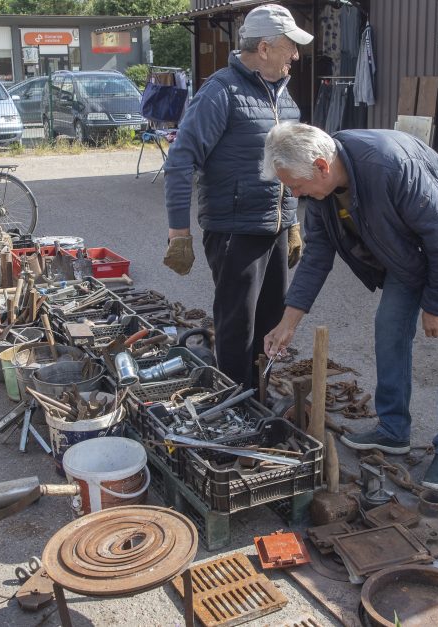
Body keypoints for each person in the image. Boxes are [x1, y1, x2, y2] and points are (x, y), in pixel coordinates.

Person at [262, 123, 438, 489]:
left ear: (322, 166)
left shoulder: (389, 165)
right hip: (413, 251)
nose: (294, 194)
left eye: (296, 185)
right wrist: (288, 323)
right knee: (389, 328)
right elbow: (317, 259)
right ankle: (394, 430)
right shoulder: (320, 193)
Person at [161, 4, 313, 389]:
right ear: (264, 49)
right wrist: (179, 232)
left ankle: (257, 396)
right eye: (289, 46)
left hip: (274, 229)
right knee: (237, 329)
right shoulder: (220, 92)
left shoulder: (285, 100)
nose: (295, 55)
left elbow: (289, 167)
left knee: (269, 326)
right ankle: (233, 409)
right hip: (234, 231)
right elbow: (180, 161)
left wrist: (292, 222)